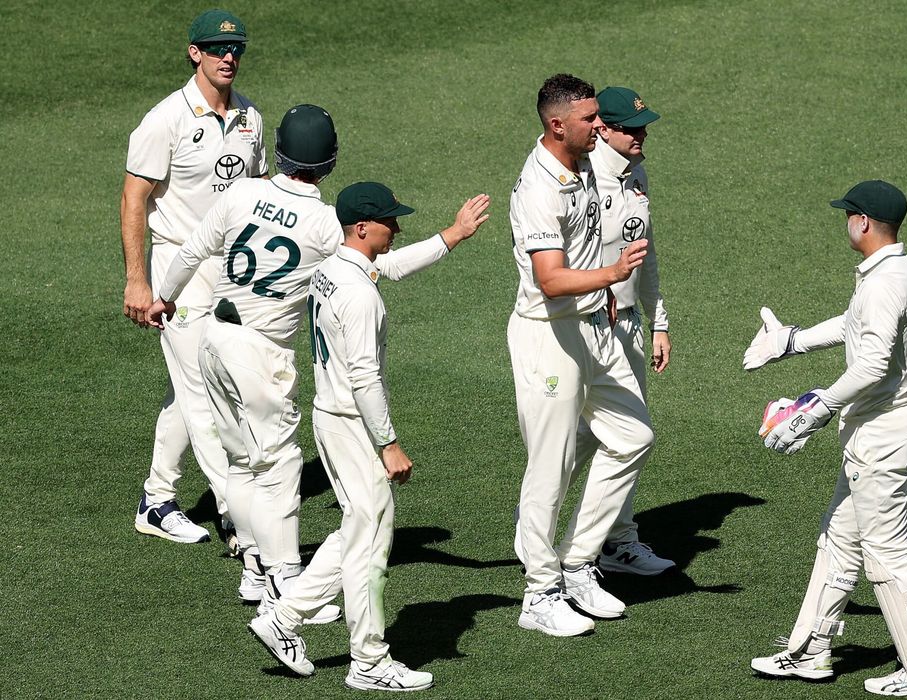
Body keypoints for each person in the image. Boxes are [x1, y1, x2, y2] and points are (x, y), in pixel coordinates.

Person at [146, 105, 490, 619]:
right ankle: (284, 579)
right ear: (329, 163)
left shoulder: (240, 192)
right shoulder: (327, 223)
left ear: (280, 151)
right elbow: (387, 266)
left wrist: (165, 298)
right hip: (260, 353)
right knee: (281, 467)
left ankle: (254, 569)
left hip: (212, 338)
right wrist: (453, 235)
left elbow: (193, 251)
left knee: (241, 462)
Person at [745, 181, 907, 697]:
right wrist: (792, 342)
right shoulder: (898, 271)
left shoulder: (884, 282)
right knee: (838, 539)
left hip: (881, 434)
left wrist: (816, 410)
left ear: (863, 222)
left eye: (848, 216)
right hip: (878, 429)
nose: (846, 224)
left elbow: (874, 364)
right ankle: (811, 650)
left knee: (886, 555)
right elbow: (854, 324)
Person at [247, 182, 436, 691]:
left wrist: (452, 236)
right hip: (353, 424)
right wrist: (388, 443)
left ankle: (283, 617)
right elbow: (365, 378)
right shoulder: (357, 294)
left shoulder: (331, 269)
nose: (397, 228)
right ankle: (369, 662)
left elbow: (391, 266)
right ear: (362, 228)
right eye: (390, 221)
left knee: (358, 528)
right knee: (371, 542)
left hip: (329, 416)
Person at [507, 73, 654, 637]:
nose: (600, 126)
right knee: (550, 468)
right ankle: (539, 595)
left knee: (633, 435)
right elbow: (549, 279)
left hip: (595, 325)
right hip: (549, 336)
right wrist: (611, 275)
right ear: (556, 125)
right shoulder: (540, 187)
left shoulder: (584, 160)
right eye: (590, 119)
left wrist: (608, 291)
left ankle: (576, 562)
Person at [122, 8, 263, 550]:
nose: (229, 57)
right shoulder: (165, 120)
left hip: (231, 269)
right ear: (194, 53)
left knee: (190, 386)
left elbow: (257, 192)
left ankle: (156, 500)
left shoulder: (250, 116)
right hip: (179, 269)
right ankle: (239, 518)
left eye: (236, 49)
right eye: (217, 48)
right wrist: (138, 281)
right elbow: (134, 200)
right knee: (204, 389)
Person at [572, 85, 674, 575]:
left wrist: (659, 322)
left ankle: (617, 541)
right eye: (632, 129)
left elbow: (644, 253)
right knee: (580, 433)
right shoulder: (583, 178)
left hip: (629, 325)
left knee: (630, 433)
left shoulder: (637, 174)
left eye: (644, 127)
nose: (641, 136)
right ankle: (538, 513)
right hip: (588, 324)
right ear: (603, 129)